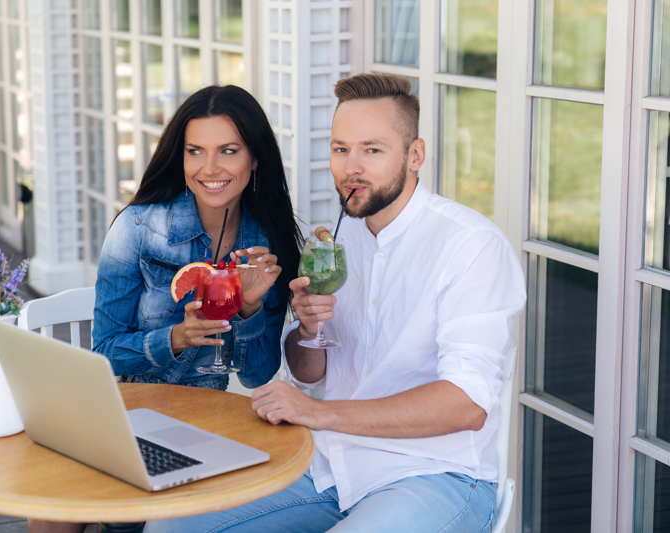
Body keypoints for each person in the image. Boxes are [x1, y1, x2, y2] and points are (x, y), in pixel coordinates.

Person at [144, 73, 526, 533]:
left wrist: (318, 414)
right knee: (171, 527)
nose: (351, 167)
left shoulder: (470, 246)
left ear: (415, 155)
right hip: (330, 464)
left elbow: (466, 404)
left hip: (433, 474)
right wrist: (307, 332)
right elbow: (309, 374)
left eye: (372, 149)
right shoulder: (335, 240)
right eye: (341, 149)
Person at [28, 85, 301, 533]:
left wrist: (250, 309)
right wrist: (175, 337)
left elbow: (256, 374)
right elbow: (106, 351)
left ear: (255, 160)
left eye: (228, 151)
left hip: (217, 424)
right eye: (195, 151)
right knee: (58, 497)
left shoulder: (265, 243)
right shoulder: (137, 227)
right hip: (133, 414)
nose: (209, 169)